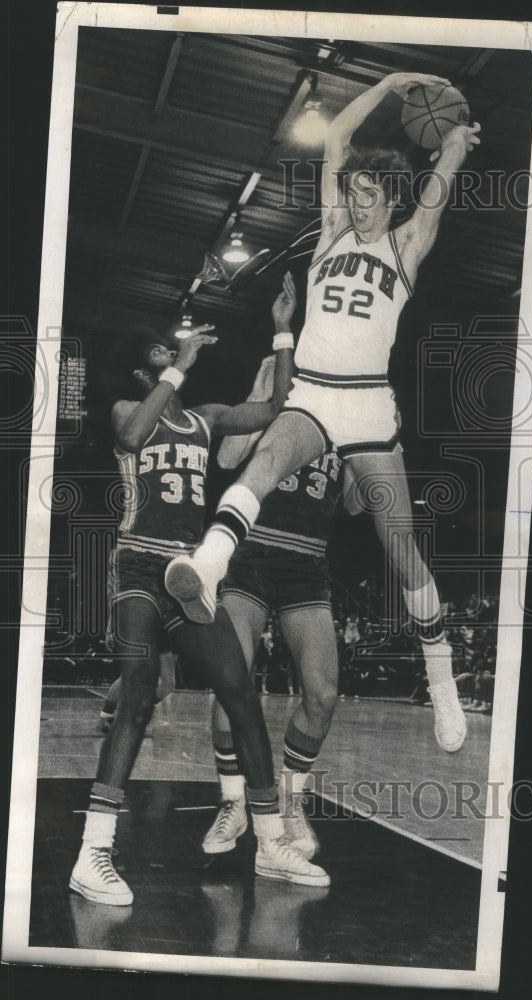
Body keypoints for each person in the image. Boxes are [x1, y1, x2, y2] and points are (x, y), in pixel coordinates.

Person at [165, 72, 481, 754]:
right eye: (354, 194)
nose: (359, 204)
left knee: (400, 548)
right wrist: (391, 82)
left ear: (390, 199)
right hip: (310, 391)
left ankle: (442, 677)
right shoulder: (332, 231)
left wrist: (452, 144)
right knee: (269, 456)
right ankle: (210, 564)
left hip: (367, 401)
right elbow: (338, 135)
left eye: (371, 197)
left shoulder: (405, 244)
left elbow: (439, 185)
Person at [69, 275, 329, 907]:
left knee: (239, 692)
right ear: (141, 371)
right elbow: (132, 440)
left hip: (191, 574)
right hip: (137, 569)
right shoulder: (130, 411)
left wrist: (283, 330)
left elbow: (276, 410)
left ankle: (270, 841)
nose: (173, 349)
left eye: (173, 347)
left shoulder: (206, 419)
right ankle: (92, 853)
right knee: (138, 697)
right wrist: (179, 368)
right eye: (159, 350)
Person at [200, 407, 345, 859]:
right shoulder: (280, 403)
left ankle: (290, 801)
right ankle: (232, 802)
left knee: (323, 694)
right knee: (231, 683)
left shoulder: (352, 418)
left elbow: (359, 503)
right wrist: (262, 394)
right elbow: (227, 459)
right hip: (251, 555)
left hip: (307, 564)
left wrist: (383, 443)